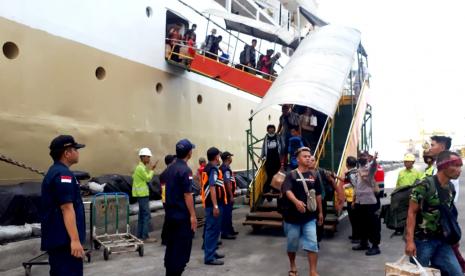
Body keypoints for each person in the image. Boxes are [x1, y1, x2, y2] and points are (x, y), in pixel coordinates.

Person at [405, 151, 463, 275]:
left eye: (460, 166)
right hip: (423, 242)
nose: (459, 170)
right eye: (456, 165)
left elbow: (450, 212)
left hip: (443, 241)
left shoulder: (450, 188)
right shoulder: (424, 185)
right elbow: (411, 212)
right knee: (420, 273)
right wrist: (410, 241)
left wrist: (453, 235)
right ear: (443, 166)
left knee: (456, 273)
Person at [40, 135, 86, 276]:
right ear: (67, 153)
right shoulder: (63, 175)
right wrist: (75, 240)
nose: (78, 152)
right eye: (75, 149)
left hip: (59, 239)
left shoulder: (56, 172)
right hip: (64, 242)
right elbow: (66, 208)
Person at [281, 147, 323, 276]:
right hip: (292, 218)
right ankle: (293, 266)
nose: (308, 158)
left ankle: (313, 271)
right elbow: (287, 190)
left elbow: (318, 195)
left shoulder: (314, 175)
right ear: (297, 159)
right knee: (292, 245)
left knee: (312, 244)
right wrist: (296, 202)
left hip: (309, 218)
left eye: (309, 156)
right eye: (305, 156)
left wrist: (320, 212)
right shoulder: (291, 175)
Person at [428, 135, 465, 272]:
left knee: (449, 253)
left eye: (433, 145)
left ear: (442, 147)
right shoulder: (435, 165)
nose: (430, 147)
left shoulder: (450, 166)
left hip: (444, 215)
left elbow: (447, 198)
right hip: (438, 217)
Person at [163, 139, 197, 276]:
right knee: (181, 251)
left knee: (171, 248)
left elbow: (164, 194)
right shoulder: (185, 170)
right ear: (189, 152)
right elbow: (187, 194)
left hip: (170, 216)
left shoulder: (167, 170)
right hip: (182, 218)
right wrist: (193, 216)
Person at [352, 151, 381, 256]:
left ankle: (375, 246)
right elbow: (357, 186)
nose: (361, 158)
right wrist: (354, 200)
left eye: (364, 156)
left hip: (371, 202)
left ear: (368, 158)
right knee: (362, 224)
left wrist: (374, 160)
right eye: (360, 156)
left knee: (373, 225)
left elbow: (374, 166)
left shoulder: (370, 168)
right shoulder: (358, 170)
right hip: (360, 202)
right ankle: (364, 243)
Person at [201, 147, 226, 265]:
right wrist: (216, 206)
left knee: (214, 230)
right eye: (219, 155)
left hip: (211, 204)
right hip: (213, 205)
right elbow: (212, 187)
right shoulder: (213, 170)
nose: (219, 157)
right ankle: (209, 257)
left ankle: (212, 251)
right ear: (216, 157)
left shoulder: (208, 168)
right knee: (212, 230)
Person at [132, 147, 158, 242]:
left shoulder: (141, 168)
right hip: (142, 195)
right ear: (142, 157)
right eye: (148, 157)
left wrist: (150, 169)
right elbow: (147, 178)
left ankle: (140, 235)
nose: (149, 159)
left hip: (141, 194)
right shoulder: (140, 168)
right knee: (146, 215)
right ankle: (145, 236)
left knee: (142, 215)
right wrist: (152, 170)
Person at [220, 151, 238, 239]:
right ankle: (225, 232)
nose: (231, 159)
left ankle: (230, 230)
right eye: (230, 157)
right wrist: (231, 196)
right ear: (227, 158)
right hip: (226, 196)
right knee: (226, 214)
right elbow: (227, 182)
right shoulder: (225, 169)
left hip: (226, 195)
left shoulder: (225, 167)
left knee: (229, 213)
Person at [260, 124, 283, 193]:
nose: (271, 129)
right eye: (269, 128)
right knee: (269, 175)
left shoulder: (278, 136)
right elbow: (264, 147)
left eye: (272, 128)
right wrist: (261, 156)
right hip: (269, 159)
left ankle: (275, 190)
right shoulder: (266, 137)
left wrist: (282, 155)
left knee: (276, 175)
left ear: (274, 129)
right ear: (267, 130)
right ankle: (267, 189)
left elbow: (282, 145)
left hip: (276, 159)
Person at [160, 154, 176, 246]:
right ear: (171, 162)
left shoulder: (164, 173)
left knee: (168, 218)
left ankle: (165, 238)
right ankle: (165, 238)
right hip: (169, 198)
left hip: (165, 198)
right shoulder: (169, 173)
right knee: (169, 219)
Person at [343, 156, 359, 243]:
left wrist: (353, 201)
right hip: (353, 199)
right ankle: (354, 235)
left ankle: (356, 237)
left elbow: (356, 186)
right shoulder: (354, 172)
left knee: (354, 219)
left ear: (347, 164)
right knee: (354, 219)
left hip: (353, 199)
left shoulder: (351, 174)